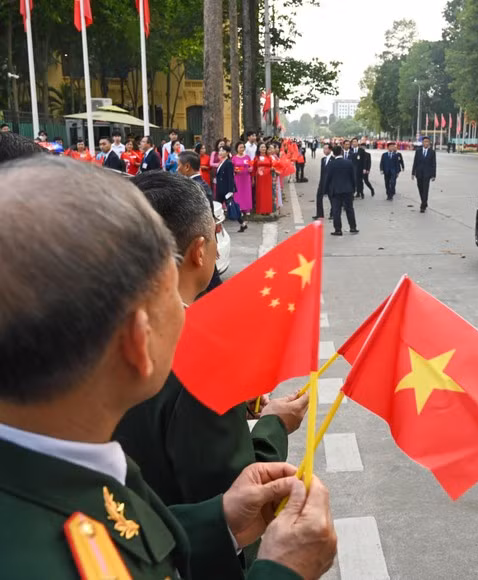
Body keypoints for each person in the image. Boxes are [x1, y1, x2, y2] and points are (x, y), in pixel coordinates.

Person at [0, 155, 337, 580]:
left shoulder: (74, 466)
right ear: (139, 342)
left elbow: (130, 544)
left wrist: (220, 522)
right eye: (162, 299)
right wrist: (285, 571)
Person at [114, 171, 308, 557]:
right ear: (200, 251)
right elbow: (235, 502)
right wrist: (275, 424)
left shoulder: (83, 332)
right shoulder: (197, 357)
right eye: (217, 237)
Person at [177, 150, 224, 294]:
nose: (176, 169)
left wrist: (211, 242)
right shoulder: (198, 185)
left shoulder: (196, 188)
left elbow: (206, 218)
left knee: (211, 281)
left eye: (178, 165)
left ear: (187, 167)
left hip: (198, 241)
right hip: (200, 240)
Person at [324, 145, 358, 236]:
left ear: (333, 153)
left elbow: (328, 178)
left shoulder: (331, 164)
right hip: (348, 189)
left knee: (336, 210)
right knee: (349, 209)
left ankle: (338, 230)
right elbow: (353, 177)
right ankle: (353, 227)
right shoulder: (349, 163)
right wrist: (354, 188)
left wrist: (325, 190)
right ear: (341, 152)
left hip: (335, 190)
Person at [215, 144, 248, 233]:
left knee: (230, 207)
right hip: (220, 188)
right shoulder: (221, 162)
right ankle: (242, 223)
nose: (220, 152)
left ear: (227, 152)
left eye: (223, 151)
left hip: (226, 190)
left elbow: (230, 178)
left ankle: (241, 223)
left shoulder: (228, 163)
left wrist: (230, 191)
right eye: (220, 150)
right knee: (218, 207)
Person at [412, 136, 437, 213]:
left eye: (427, 142)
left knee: (425, 190)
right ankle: (424, 202)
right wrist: (413, 173)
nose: (426, 143)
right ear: (422, 143)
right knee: (420, 188)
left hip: (427, 174)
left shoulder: (432, 152)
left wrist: (433, 175)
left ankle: (423, 205)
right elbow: (415, 162)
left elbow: (434, 164)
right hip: (419, 173)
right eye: (424, 141)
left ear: (429, 143)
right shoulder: (418, 151)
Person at [232, 141, 254, 217]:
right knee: (238, 193)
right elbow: (232, 167)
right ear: (237, 149)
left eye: (243, 147)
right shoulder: (234, 158)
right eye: (240, 147)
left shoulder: (247, 157)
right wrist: (235, 170)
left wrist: (251, 168)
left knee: (247, 192)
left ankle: (247, 208)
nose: (242, 149)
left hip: (246, 177)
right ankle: (239, 209)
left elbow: (251, 166)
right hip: (238, 178)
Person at [254, 143, 276, 215]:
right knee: (260, 193)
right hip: (260, 178)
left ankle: (268, 209)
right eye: (262, 147)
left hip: (268, 177)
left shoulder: (269, 157)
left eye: (264, 147)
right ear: (259, 149)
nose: (263, 149)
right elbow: (254, 168)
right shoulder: (256, 158)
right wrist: (253, 178)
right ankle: (261, 210)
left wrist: (272, 168)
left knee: (267, 193)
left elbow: (273, 166)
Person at [314, 142, 332, 219]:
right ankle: (319, 214)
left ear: (330, 149)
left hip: (330, 183)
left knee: (332, 199)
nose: (324, 150)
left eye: (326, 148)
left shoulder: (333, 159)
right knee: (318, 197)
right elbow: (322, 172)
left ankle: (333, 214)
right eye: (323, 148)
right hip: (322, 182)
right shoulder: (323, 159)